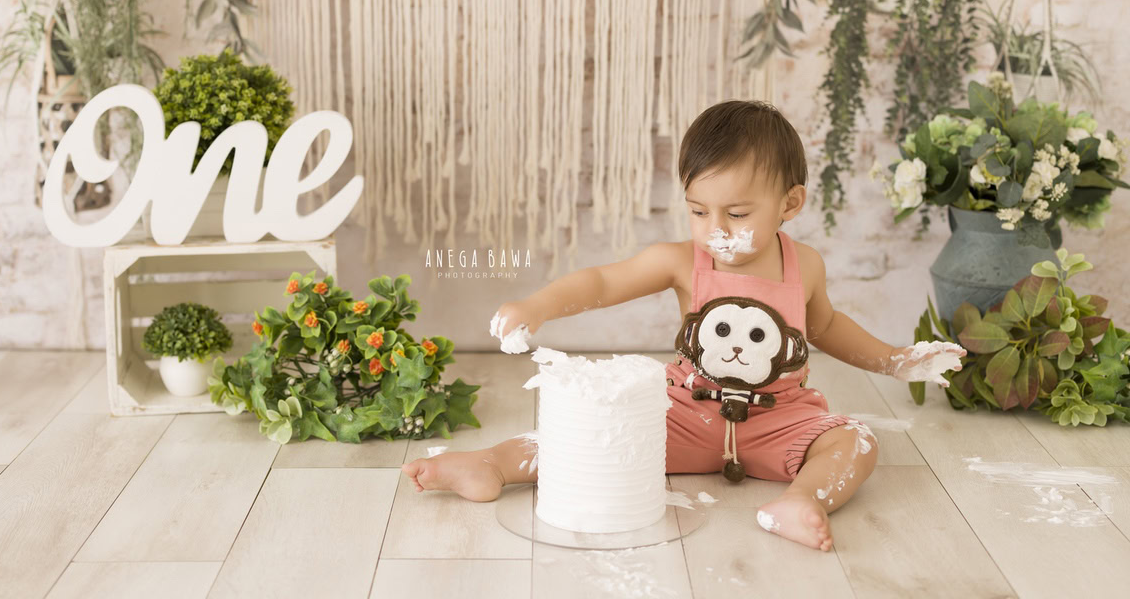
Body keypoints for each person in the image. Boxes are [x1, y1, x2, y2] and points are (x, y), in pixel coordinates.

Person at [401, 100, 964, 551]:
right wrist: (538, 306)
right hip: (683, 418)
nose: (715, 229)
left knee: (858, 441)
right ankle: (490, 465)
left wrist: (895, 359)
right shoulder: (679, 262)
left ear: (790, 202)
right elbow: (601, 282)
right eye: (698, 211)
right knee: (599, 435)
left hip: (780, 424)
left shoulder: (806, 265)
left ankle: (802, 499)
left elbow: (828, 326)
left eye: (737, 214)